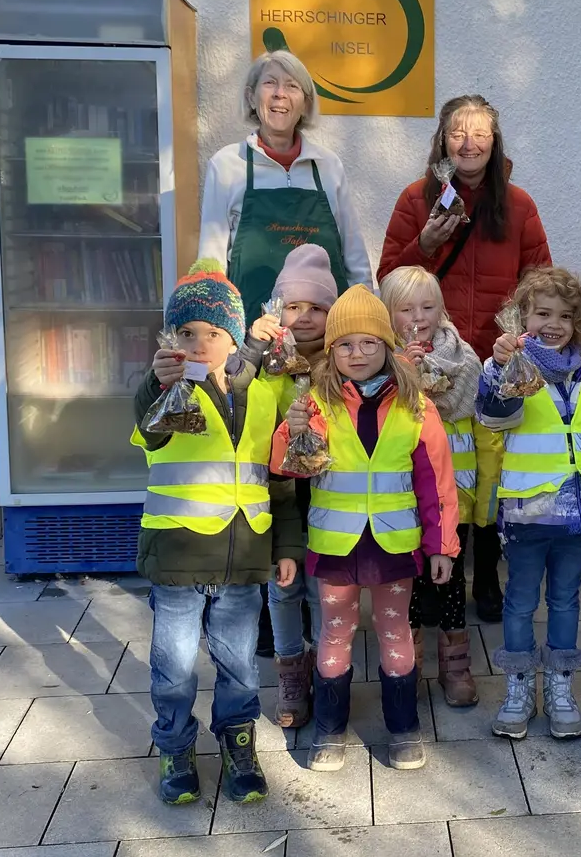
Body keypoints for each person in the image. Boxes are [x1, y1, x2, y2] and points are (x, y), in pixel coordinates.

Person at [379, 94, 554, 624]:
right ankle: (438, 572)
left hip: (498, 357)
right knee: (437, 469)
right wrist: (424, 243)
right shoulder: (417, 199)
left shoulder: (518, 204)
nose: (469, 142)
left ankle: (486, 574)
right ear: (442, 140)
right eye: (458, 132)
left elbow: (539, 276)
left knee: (491, 471)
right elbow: (389, 278)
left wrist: (521, 338)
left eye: (480, 132)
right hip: (440, 363)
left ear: (495, 141)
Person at [272, 285, 459, 772]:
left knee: (395, 630)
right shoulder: (316, 403)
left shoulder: (416, 406)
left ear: (387, 347)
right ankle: (330, 732)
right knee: (335, 634)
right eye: (345, 345)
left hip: (396, 543)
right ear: (330, 352)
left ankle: (403, 728)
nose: (358, 354)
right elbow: (287, 467)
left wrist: (442, 545)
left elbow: (437, 482)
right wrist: (291, 432)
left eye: (369, 343)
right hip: (336, 545)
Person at [131, 257, 283, 805]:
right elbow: (148, 431)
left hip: (242, 556)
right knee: (173, 665)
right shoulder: (168, 391)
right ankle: (174, 746)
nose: (198, 343)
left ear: (234, 338)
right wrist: (156, 381)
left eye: (212, 333)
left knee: (240, 663)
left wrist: (283, 547)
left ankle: (238, 743)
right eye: (186, 332)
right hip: (178, 555)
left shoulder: (263, 395)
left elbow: (278, 477)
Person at [477, 268, 581, 740]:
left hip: (576, 520)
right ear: (523, 316)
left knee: (565, 601)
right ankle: (518, 689)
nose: (554, 323)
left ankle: (560, 687)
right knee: (519, 603)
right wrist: (501, 369)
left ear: (578, 321)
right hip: (525, 516)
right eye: (542, 313)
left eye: (565, 315)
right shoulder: (510, 369)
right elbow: (493, 418)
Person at [240, 243, 337, 729]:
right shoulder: (267, 362)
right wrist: (253, 349)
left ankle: (326, 668)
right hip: (279, 494)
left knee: (322, 587)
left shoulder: (342, 361)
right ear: (277, 310)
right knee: (284, 586)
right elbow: (233, 388)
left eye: (316, 307)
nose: (303, 317)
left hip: (327, 492)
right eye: (293, 306)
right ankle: (290, 673)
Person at [380, 265, 485, 708]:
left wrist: (431, 378)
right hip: (399, 490)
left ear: (442, 310)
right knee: (408, 575)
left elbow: (470, 398)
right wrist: (403, 374)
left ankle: (455, 662)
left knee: (450, 574)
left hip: (450, 490)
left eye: (427, 306)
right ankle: (409, 659)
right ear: (388, 315)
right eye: (406, 309)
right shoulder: (379, 358)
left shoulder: (461, 355)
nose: (418, 317)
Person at [199, 50, 372, 316]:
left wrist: (363, 315)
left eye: (292, 86)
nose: (280, 93)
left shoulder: (328, 166)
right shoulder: (226, 165)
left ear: (305, 103)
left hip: (325, 337)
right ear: (251, 96)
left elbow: (355, 260)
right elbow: (211, 262)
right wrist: (215, 328)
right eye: (270, 83)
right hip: (253, 332)